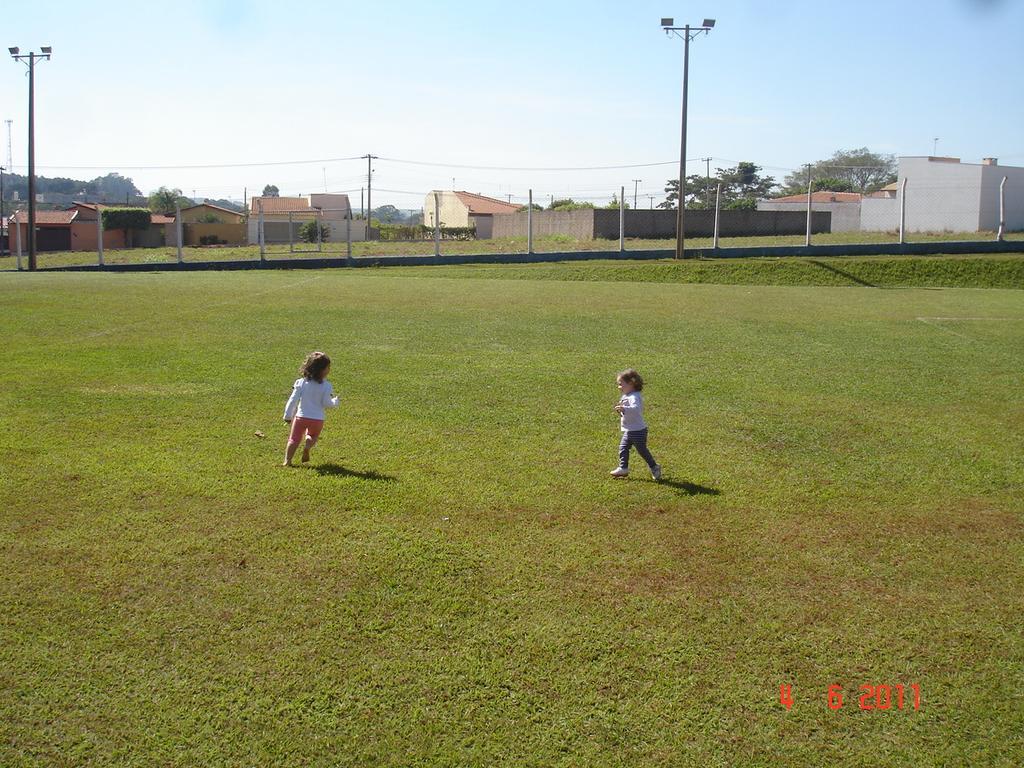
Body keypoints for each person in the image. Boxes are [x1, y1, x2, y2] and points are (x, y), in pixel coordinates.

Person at [282, 351, 339, 466]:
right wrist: (335, 402)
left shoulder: (301, 383)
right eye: (328, 367)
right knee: (313, 436)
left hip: (301, 417)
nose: (329, 369)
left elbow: (293, 400)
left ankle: (287, 461)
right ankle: (308, 445)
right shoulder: (327, 386)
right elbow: (327, 403)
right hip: (317, 419)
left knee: (293, 439)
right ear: (323, 370)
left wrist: (288, 415)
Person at [611, 368, 662, 481]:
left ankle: (654, 467)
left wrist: (624, 408)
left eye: (621, 384)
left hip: (638, 430)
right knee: (623, 447)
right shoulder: (627, 395)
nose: (619, 387)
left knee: (642, 450)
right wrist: (621, 409)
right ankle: (623, 468)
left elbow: (636, 408)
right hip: (630, 429)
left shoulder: (634, 396)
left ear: (631, 383)